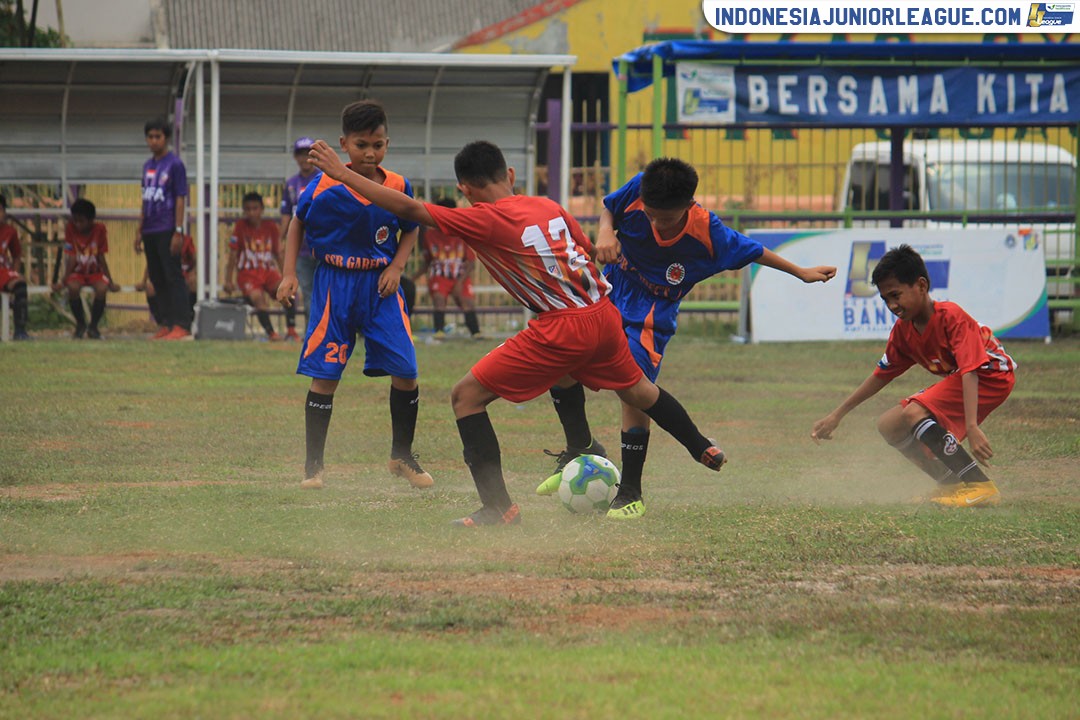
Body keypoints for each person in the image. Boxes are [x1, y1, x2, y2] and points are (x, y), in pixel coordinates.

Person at [307, 138, 727, 527]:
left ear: (465, 190)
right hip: (603, 312)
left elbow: (411, 210)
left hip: (563, 325)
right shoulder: (547, 204)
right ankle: (700, 446)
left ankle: (497, 507)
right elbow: (582, 251)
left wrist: (344, 175)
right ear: (510, 176)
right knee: (638, 392)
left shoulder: (483, 218)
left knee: (465, 396)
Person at [536, 158, 836, 519]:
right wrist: (606, 232)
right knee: (560, 360)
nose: (655, 224)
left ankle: (631, 490)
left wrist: (801, 272)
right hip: (607, 293)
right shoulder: (641, 187)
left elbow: (754, 250)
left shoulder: (709, 232)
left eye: (665, 219)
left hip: (650, 315)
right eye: (650, 215)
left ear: (689, 206)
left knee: (633, 389)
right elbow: (609, 208)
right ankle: (580, 446)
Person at [276, 100, 433, 491]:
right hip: (335, 287)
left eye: (378, 144)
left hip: (380, 288)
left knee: (407, 372)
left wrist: (397, 266)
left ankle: (402, 455)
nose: (370, 153)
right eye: (361, 144)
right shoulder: (323, 186)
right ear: (345, 144)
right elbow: (297, 223)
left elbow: (411, 225)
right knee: (325, 377)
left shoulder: (397, 185)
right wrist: (289, 273)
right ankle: (313, 468)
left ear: (387, 143)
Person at [811, 244, 1016, 508]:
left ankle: (980, 486)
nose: (892, 305)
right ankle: (950, 483)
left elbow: (970, 370)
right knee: (889, 424)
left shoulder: (951, 316)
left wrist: (973, 427)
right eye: (885, 299)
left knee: (914, 413)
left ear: (921, 285)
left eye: (895, 294)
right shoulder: (903, 331)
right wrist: (837, 414)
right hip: (969, 376)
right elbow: (880, 375)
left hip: (992, 374)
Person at [137, 117, 192, 340]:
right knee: (157, 277)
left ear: (166, 138)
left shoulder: (175, 165)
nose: (153, 141)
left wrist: (178, 230)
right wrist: (139, 230)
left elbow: (180, 198)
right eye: (150, 137)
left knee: (173, 276)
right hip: (149, 228)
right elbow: (145, 198)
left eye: (157, 136)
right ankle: (166, 323)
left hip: (167, 227)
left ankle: (182, 323)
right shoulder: (147, 166)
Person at [225, 192, 293, 341]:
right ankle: (272, 334)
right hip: (248, 274)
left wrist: (287, 277)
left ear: (262, 209)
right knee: (258, 298)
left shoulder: (271, 227)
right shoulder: (240, 227)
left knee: (288, 291)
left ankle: (292, 330)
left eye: (255, 208)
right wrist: (228, 280)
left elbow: (278, 255)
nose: (251, 212)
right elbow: (232, 256)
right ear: (244, 210)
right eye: (248, 209)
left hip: (268, 272)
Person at [413, 197, 484, 339]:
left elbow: (471, 262)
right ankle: (439, 331)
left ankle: (475, 332)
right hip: (439, 276)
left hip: (460, 277)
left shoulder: (461, 234)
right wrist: (413, 278)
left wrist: (459, 282)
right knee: (439, 299)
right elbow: (428, 261)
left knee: (467, 302)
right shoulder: (429, 236)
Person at [53, 199, 120, 339]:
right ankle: (80, 324)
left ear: (91, 220)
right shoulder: (70, 229)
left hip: (95, 272)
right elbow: (71, 257)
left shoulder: (100, 229)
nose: (78, 224)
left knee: (102, 289)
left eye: (81, 221)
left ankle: (94, 326)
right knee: (72, 287)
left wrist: (111, 281)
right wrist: (63, 280)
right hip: (77, 272)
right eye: (75, 220)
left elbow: (101, 256)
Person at [280, 136, 318, 336]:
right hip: (301, 248)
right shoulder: (291, 184)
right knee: (308, 291)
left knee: (326, 291)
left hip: (321, 246)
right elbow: (287, 214)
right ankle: (312, 333)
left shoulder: (324, 178)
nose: (304, 159)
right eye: (300, 154)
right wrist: (281, 238)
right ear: (295, 157)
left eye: (308, 154)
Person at [137, 233, 195, 333]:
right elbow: (152, 263)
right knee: (151, 287)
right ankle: (164, 323)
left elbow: (194, 260)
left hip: (179, 275)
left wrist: (192, 273)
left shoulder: (185, 240)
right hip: (166, 276)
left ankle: (188, 320)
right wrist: (143, 280)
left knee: (190, 282)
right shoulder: (158, 239)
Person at [0, 195, 31, 340]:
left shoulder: (10, 231)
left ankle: (20, 331)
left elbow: (17, 255)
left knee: (20, 285)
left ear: (4, 212)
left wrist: (14, 272)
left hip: (3, 272)